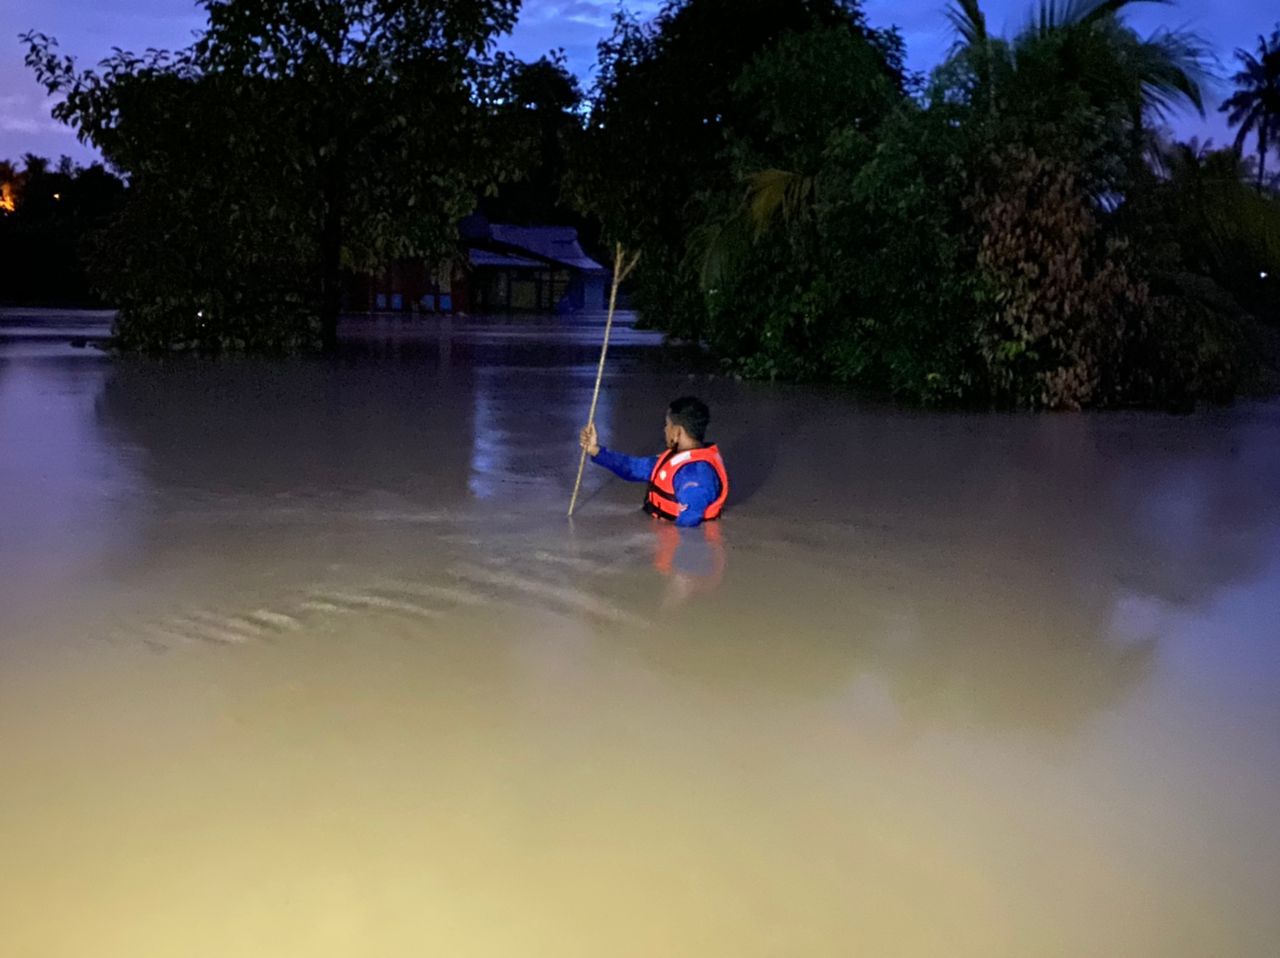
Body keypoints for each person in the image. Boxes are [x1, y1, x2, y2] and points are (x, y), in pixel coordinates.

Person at [578, 396, 729, 527]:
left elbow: (689, 528)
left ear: (677, 432)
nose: (665, 430)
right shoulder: (674, 459)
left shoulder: (696, 475)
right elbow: (633, 468)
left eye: (667, 425)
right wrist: (595, 450)